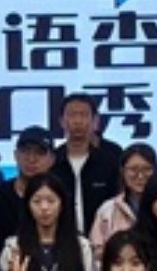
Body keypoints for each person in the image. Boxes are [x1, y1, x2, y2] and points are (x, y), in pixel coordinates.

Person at [51, 93, 123, 235]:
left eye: (84, 115)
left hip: (104, 238)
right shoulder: (53, 161)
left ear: (95, 121)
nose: (78, 121)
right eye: (72, 115)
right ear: (61, 121)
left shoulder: (110, 160)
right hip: (61, 239)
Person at [0, 126, 56, 247]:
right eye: (25, 151)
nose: (31, 159)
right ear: (16, 155)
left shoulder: (60, 200)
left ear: (52, 159)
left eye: (39, 152)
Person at [87, 143, 157, 260]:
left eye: (147, 169)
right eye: (133, 169)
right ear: (122, 171)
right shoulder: (108, 209)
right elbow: (98, 252)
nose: (140, 176)